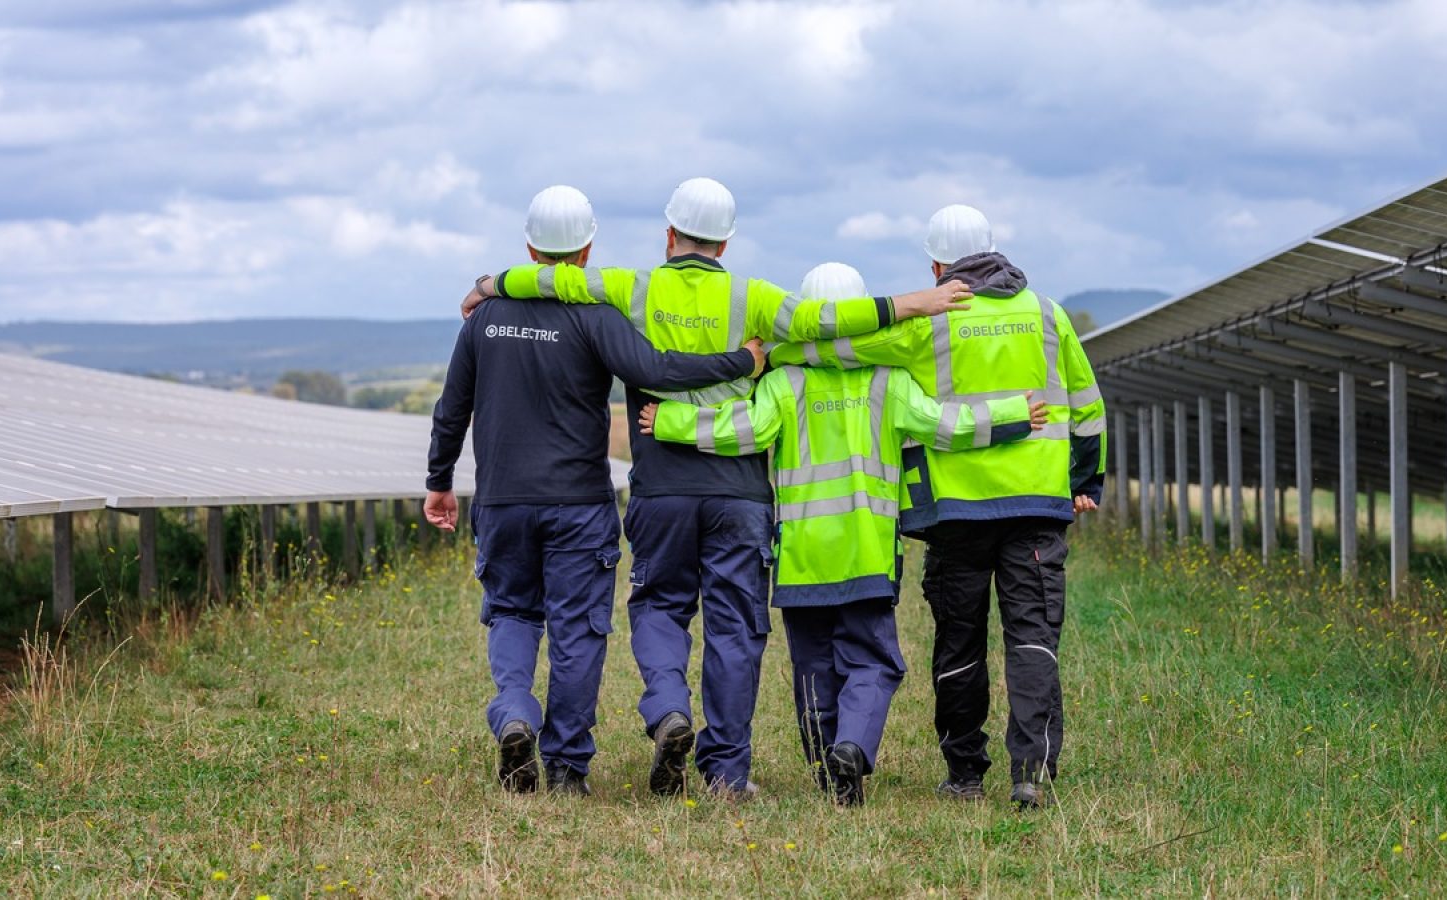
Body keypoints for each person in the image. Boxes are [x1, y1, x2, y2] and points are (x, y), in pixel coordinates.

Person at [456, 178, 974, 800]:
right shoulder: (753, 297)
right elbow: (822, 321)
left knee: (658, 608)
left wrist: (491, 284)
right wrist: (912, 303)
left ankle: (670, 706)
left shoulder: (631, 287)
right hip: (739, 493)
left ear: (669, 234)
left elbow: (556, 281)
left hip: (661, 488)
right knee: (733, 631)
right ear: (726, 241)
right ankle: (727, 773)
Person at [638, 261, 1049, 806]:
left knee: (812, 669)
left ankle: (826, 768)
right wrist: (1012, 414)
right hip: (867, 553)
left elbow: (747, 430)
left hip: (804, 558)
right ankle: (852, 747)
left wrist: (668, 421)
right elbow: (943, 425)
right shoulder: (889, 379)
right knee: (873, 661)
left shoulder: (783, 380)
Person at [423, 185, 766, 798]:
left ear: (529, 246)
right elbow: (658, 372)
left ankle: (515, 713)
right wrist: (740, 361)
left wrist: (439, 482)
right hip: (580, 504)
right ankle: (566, 770)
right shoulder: (597, 315)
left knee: (511, 612)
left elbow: (452, 409)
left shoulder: (484, 322)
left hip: (501, 500)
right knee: (578, 631)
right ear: (586, 251)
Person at [770, 207, 1107, 809]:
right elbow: (1088, 407)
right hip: (1037, 507)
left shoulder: (929, 325)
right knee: (1033, 638)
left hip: (957, 515)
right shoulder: (1049, 315)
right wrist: (1086, 481)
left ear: (936, 265)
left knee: (960, 642)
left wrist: (769, 350)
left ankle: (965, 774)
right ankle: (1030, 771)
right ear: (997, 251)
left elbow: (837, 345)